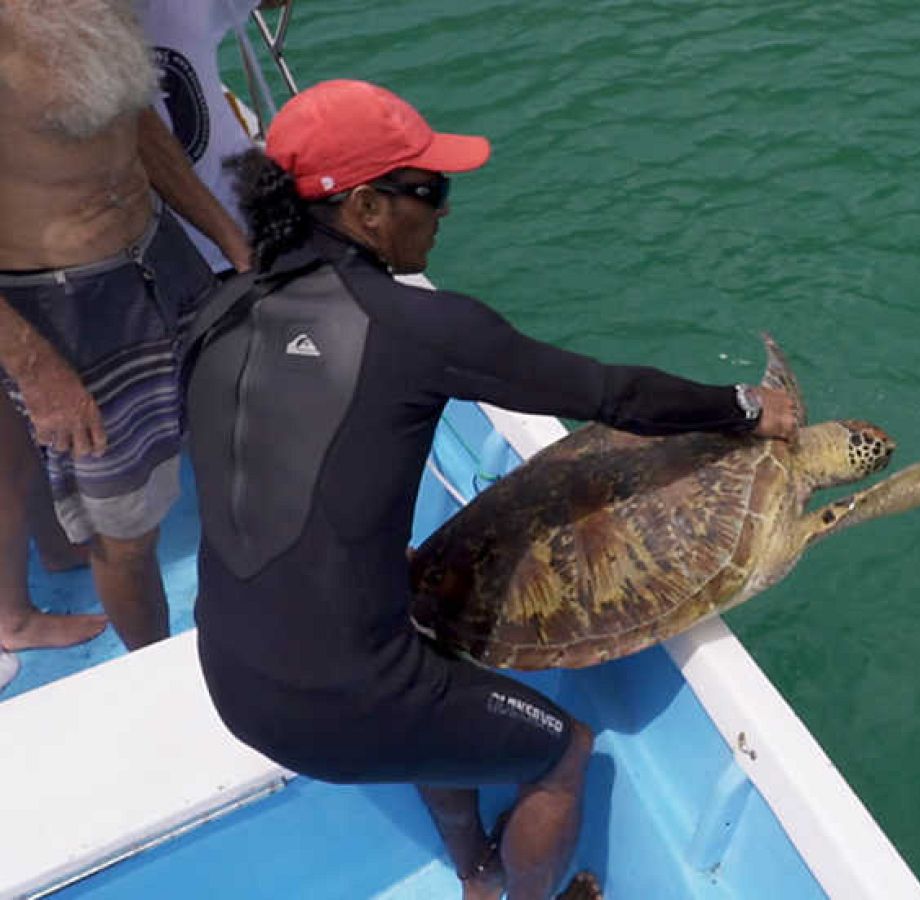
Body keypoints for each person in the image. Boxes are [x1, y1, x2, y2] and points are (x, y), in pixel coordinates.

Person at [185, 79, 798, 900]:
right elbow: (613, 395)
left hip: (228, 673)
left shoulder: (217, 310)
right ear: (366, 208)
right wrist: (748, 408)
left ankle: (476, 867)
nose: (444, 210)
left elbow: (271, 468)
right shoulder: (417, 327)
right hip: (339, 704)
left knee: (425, 663)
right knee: (564, 750)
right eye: (429, 189)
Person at [0, 0, 252, 684]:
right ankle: (160, 678)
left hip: (159, 252)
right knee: (125, 528)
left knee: (229, 419)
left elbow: (139, 123)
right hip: (62, 305)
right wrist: (37, 370)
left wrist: (230, 239)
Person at [141, 0, 284, 274]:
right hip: (173, 261)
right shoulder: (72, 34)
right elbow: (138, 132)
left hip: (253, 224)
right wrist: (235, 246)